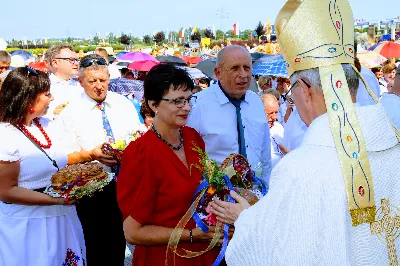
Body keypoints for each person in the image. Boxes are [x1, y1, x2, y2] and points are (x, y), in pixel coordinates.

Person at [213, 0, 400, 265]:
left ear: (304, 88)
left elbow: (281, 253)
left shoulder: (300, 169)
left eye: (292, 93)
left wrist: (246, 220)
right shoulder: (394, 145)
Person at [117, 64, 223, 266]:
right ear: (154, 104)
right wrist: (193, 235)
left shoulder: (192, 137)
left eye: (188, 99)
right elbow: (132, 232)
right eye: (177, 101)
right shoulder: (141, 154)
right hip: (165, 258)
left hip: (204, 252)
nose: (187, 107)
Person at [56, 54, 144, 266]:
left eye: (103, 80)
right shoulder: (70, 113)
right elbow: (64, 156)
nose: (98, 86)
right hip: (92, 190)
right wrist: (90, 154)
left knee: (121, 243)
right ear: (80, 81)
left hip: (128, 185)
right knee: (94, 246)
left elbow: (138, 135)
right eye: (92, 81)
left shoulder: (123, 104)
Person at [0, 67, 86, 266]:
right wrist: (55, 200)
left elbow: (55, 160)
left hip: (60, 218)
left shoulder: (46, 125)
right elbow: (5, 191)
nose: (52, 98)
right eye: (47, 94)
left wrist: (87, 156)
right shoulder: (6, 136)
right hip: (30, 225)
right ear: (29, 100)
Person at [187, 45, 272, 187]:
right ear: (218, 72)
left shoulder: (256, 102)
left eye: (247, 68)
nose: (243, 75)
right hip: (216, 200)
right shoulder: (198, 106)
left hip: (255, 196)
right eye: (235, 68)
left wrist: (266, 189)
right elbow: (190, 160)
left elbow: (265, 155)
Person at [44, 44, 83, 118]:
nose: (77, 63)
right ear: (55, 63)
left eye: (77, 60)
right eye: (71, 60)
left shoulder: (81, 85)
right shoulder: (44, 87)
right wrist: (54, 114)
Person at [260, 94, 284, 168]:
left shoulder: (278, 127)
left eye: (276, 112)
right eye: (270, 113)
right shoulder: (250, 129)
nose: (274, 117)